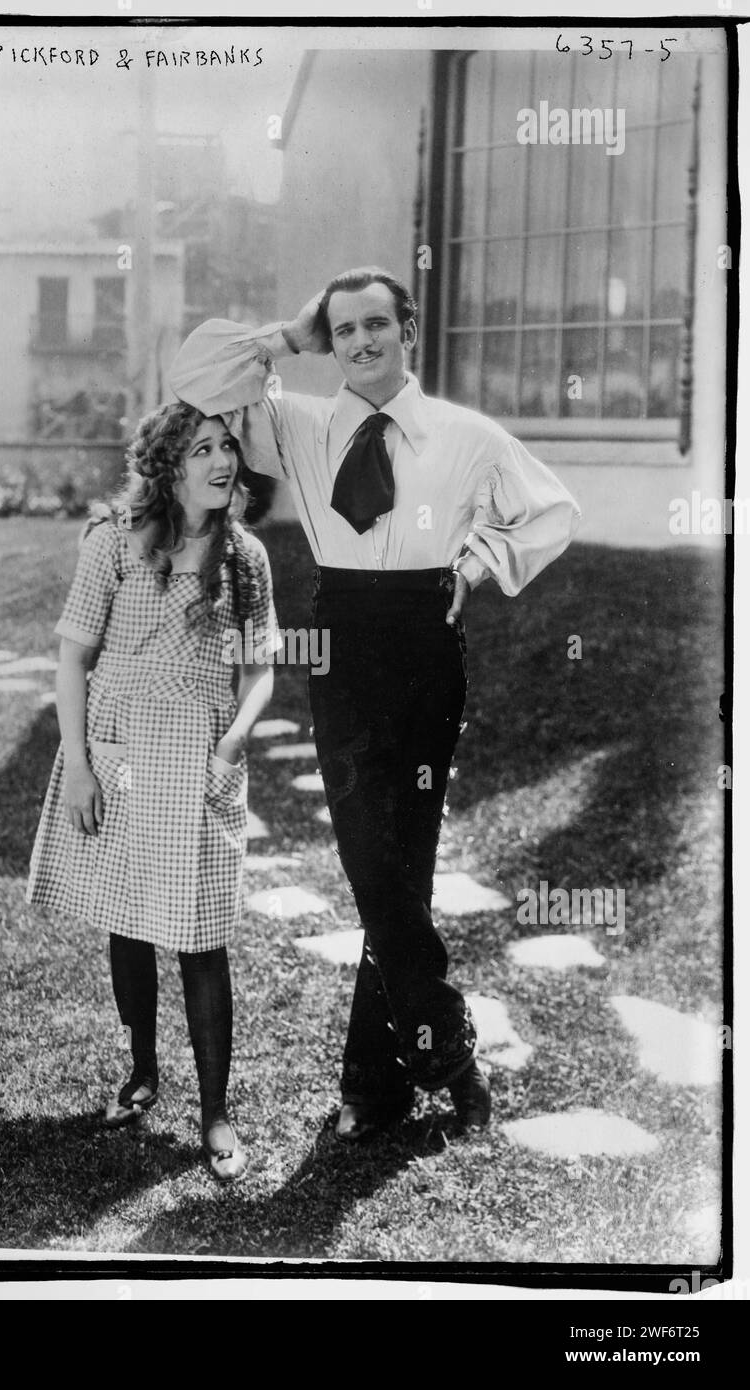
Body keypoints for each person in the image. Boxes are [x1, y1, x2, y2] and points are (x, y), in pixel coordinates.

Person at [170, 266, 581, 1141]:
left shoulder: (465, 436)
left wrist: (475, 564)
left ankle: (372, 1083)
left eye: (375, 326)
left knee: (403, 865)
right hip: (343, 641)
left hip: (426, 644)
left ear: (408, 332)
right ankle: (449, 1058)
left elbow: (550, 512)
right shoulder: (296, 425)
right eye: (344, 328)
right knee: (369, 857)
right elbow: (196, 373)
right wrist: (290, 335)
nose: (360, 342)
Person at [26, 401, 278, 1181]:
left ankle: (215, 1113)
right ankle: (141, 1071)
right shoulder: (113, 542)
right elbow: (72, 659)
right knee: (126, 918)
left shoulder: (246, 557)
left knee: (201, 937)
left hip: (201, 755)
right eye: (200, 447)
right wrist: (79, 763)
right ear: (167, 464)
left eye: (227, 445)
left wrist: (233, 742)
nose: (220, 459)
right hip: (118, 748)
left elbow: (261, 668)